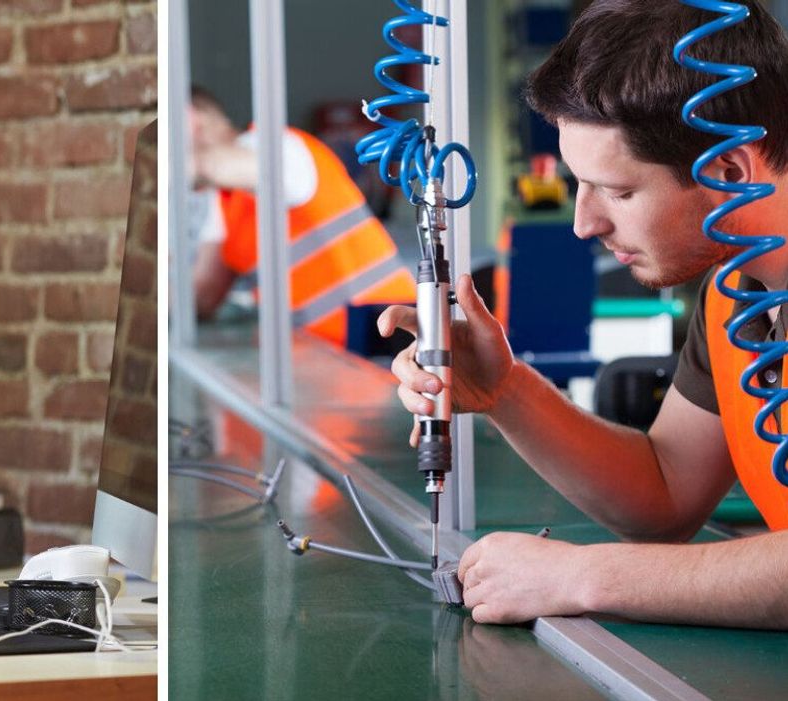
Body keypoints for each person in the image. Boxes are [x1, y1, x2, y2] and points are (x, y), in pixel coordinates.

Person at [380, 0, 788, 629]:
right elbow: (666, 494)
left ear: (730, 170)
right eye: (580, 184)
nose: (584, 223)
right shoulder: (738, 294)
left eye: (619, 191)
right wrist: (505, 390)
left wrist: (580, 575)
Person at [189, 87, 416, 347]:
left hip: (384, 338)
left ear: (194, 117)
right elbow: (201, 296)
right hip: (331, 357)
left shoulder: (277, 146)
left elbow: (209, 166)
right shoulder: (225, 199)